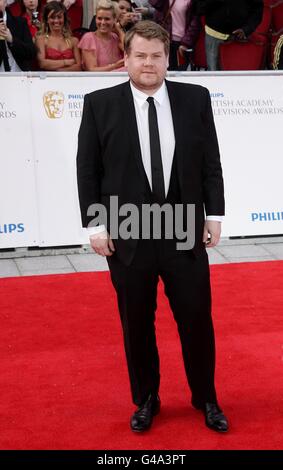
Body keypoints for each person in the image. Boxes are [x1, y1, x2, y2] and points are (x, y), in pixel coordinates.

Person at [77, 20, 228, 433]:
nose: (148, 63)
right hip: (128, 228)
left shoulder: (195, 98)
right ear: (126, 58)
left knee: (197, 319)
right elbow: (87, 170)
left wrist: (213, 215)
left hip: (183, 226)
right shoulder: (99, 103)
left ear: (168, 58)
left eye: (156, 56)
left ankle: (206, 398)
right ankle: (146, 399)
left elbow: (210, 161)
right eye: (140, 55)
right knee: (137, 323)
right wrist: (95, 224)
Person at [193, 0, 264, 71]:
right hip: (214, 36)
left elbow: (257, 10)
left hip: (240, 38)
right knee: (213, 74)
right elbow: (199, 8)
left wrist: (246, 29)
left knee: (237, 75)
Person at [149, 0, 200, 70]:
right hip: (165, 40)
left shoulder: (191, 2)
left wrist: (186, 43)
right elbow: (155, 3)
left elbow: (195, 23)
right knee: (164, 71)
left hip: (182, 44)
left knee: (181, 72)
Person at [78, 0, 124, 71]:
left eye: (107, 19)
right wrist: (115, 66)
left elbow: (129, 51)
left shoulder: (116, 37)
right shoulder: (89, 38)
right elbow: (92, 70)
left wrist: (119, 31)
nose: (102, 22)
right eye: (99, 18)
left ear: (115, 20)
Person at [35, 1, 81, 71]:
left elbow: (78, 67)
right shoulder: (41, 40)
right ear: (47, 20)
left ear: (64, 19)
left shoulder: (74, 41)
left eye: (59, 17)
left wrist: (60, 71)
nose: (56, 21)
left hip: (70, 80)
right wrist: (66, 62)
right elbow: (42, 63)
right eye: (52, 17)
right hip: (48, 80)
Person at [0, 0, 36, 71]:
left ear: (5, 2)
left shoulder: (20, 23)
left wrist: (12, 40)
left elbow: (31, 53)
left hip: (19, 74)